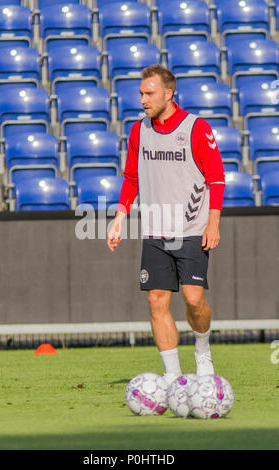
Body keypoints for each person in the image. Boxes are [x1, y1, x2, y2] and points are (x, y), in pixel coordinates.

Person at [107, 65, 225, 386]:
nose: (143, 99)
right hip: (155, 232)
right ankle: (173, 376)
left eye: (149, 93)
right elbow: (131, 178)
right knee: (156, 299)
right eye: (141, 93)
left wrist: (213, 224)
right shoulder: (138, 130)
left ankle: (202, 348)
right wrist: (119, 218)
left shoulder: (196, 128)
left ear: (168, 94)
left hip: (191, 230)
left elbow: (216, 177)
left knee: (193, 299)